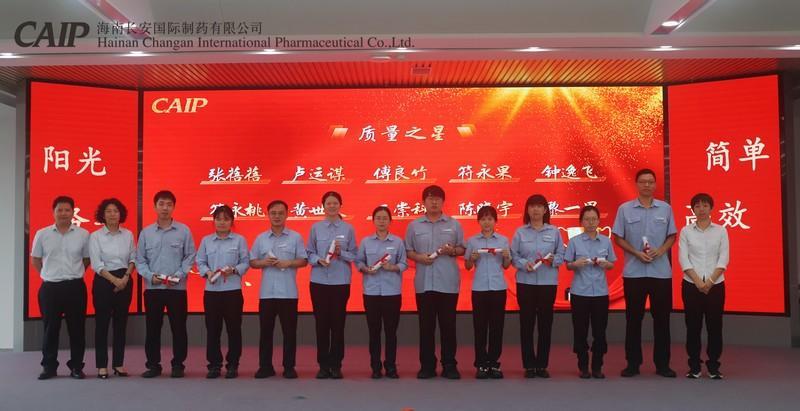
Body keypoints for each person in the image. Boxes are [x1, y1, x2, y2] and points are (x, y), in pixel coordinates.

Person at [612, 169, 678, 378]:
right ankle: (633, 363)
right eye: (643, 182)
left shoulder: (666, 209)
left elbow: (672, 236)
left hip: (661, 273)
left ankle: (663, 364)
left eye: (650, 182)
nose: (647, 185)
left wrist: (662, 250)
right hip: (634, 272)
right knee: (633, 319)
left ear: (655, 185)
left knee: (662, 320)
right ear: (637, 184)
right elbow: (617, 237)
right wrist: (635, 253)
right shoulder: (624, 209)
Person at [405, 185, 466, 379]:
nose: (434, 202)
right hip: (424, 283)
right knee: (426, 327)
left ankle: (449, 365)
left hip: (448, 283)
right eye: (430, 198)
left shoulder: (454, 224)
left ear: (443, 202)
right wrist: (419, 257)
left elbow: (463, 249)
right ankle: (427, 366)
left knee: (448, 326)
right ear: (423, 202)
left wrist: (452, 251)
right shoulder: (414, 226)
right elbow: (408, 251)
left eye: (438, 199)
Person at [136, 190, 196, 378]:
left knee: (179, 328)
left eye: (169, 204)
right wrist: (149, 276)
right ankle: (153, 365)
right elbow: (140, 260)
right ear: (155, 207)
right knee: (153, 329)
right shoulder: (146, 233)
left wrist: (178, 276)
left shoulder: (184, 231)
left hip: (176, 289)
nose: (165, 208)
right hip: (153, 289)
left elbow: (190, 256)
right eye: (161, 204)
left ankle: (178, 365)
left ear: (174, 207)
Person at [31, 195, 90, 380]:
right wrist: (46, 275)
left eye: (67, 210)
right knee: (50, 329)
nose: (63, 213)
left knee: (77, 329)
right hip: (50, 288)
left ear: (73, 212)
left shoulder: (83, 234)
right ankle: (49, 367)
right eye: (60, 210)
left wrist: (75, 272)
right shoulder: (42, 234)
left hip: (75, 287)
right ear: (53, 212)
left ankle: (76, 367)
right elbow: (35, 259)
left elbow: (87, 259)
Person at [250, 200, 308, 379]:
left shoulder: (295, 237)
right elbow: (252, 262)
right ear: (268, 215)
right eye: (273, 213)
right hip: (267, 293)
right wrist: (264, 262)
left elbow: (304, 260)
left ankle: (289, 367)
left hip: (288, 292)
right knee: (265, 332)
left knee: (289, 332)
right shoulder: (261, 238)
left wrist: (288, 263)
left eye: (280, 213)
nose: (277, 216)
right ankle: (265, 366)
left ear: (286, 214)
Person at [511, 194, 565, 378]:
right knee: (526, 324)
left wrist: (553, 260)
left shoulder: (554, 231)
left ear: (545, 210)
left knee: (545, 324)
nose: (535, 209)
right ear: (527, 210)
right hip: (525, 283)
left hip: (547, 283)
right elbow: (514, 255)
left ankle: (542, 365)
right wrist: (522, 263)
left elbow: (562, 254)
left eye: (539, 206)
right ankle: (529, 365)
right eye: (532, 206)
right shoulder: (520, 232)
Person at [678, 193, 729, 379]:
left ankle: (714, 366)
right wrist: (699, 282)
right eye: (697, 206)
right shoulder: (686, 231)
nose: (701, 209)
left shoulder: (721, 231)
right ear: (693, 209)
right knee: (693, 326)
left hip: (716, 286)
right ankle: (694, 366)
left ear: (711, 208)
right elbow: (683, 259)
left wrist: (710, 281)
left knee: (715, 326)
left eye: (705, 205)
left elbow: (724, 258)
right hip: (691, 285)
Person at [196, 205, 250, 379]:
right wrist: (207, 272)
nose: (222, 222)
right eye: (218, 219)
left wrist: (234, 270)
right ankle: (214, 365)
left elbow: (245, 262)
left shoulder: (239, 240)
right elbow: (200, 261)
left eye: (226, 219)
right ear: (214, 221)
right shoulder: (206, 241)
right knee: (213, 329)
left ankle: (233, 364)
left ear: (231, 221)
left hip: (232, 291)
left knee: (234, 329)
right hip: (212, 291)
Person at [307, 191, 357, 379]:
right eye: (328, 203)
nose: (332, 206)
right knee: (321, 324)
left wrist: (341, 252)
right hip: (319, 282)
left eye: (335, 203)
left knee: (338, 324)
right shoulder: (316, 228)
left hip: (340, 282)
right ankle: (323, 365)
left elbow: (354, 255)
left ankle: (336, 365)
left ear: (340, 205)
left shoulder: (348, 229)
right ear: (323, 206)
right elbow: (308, 253)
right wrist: (318, 260)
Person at [564, 205, 616, 379]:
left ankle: (597, 366)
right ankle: (583, 366)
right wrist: (575, 264)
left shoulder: (606, 241)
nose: (591, 222)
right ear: (581, 222)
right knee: (580, 330)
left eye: (594, 219)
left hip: (600, 292)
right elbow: (568, 265)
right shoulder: (574, 241)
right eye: (587, 219)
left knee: (600, 331)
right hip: (580, 292)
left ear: (599, 221)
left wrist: (606, 264)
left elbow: (612, 263)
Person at [356, 206, 407, 379]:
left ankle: (391, 366)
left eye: (385, 218)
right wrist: (365, 269)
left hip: (392, 292)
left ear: (390, 221)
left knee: (391, 332)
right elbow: (359, 261)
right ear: (373, 221)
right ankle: (375, 367)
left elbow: (404, 263)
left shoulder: (397, 242)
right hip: (371, 292)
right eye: (378, 218)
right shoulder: (366, 242)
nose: (382, 221)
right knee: (374, 331)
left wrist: (393, 267)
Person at [88, 198, 135, 379]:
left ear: (120, 214)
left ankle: (118, 364)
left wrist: (125, 277)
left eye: (115, 211)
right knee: (102, 324)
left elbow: (133, 258)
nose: (112, 214)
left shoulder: (128, 234)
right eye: (108, 211)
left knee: (121, 324)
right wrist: (115, 281)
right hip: (104, 280)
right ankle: (102, 366)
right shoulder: (95, 236)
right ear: (103, 215)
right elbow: (96, 264)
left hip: (125, 279)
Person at [464, 206, 510, 379]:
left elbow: (506, 265)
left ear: (495, 221)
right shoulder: (472, 241)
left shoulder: (503, 240)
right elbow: (468, 266)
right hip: (479, 288)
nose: (487, 222)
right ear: (478, 221)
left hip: (498, 288)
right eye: (483, 219)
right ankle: (481, 364)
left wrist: (506, 256)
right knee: (480, 327)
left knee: (497, 327)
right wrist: (472, 259)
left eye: (490, 219)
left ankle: (494, 363)